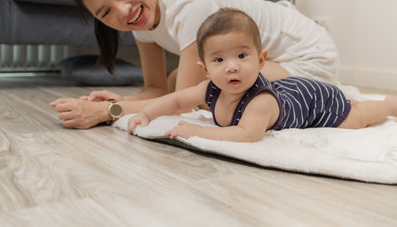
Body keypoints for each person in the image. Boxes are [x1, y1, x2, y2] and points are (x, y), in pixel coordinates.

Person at [50, 0, 340, 129]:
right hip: (261, 55)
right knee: (180, 79)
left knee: (226, 95)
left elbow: (185, 103)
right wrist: (124, 100)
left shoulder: (192, 6)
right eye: (105, 12)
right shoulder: (141, 22)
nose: (124, 11)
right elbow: (155, 89)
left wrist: (106, 112)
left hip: (306, 52)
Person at [128, 8, 397, 142]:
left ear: (261, 60)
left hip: (317, 100)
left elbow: (248, 135)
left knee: (356, 117)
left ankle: (389, 104)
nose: (231, 66)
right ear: (205, 70)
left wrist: (197, 130)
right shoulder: (210, 89)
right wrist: (146, 114)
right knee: (355, 108)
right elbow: (176, 101)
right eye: (219, 60)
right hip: (292, 90)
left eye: (242, 56)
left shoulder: (260, 101)